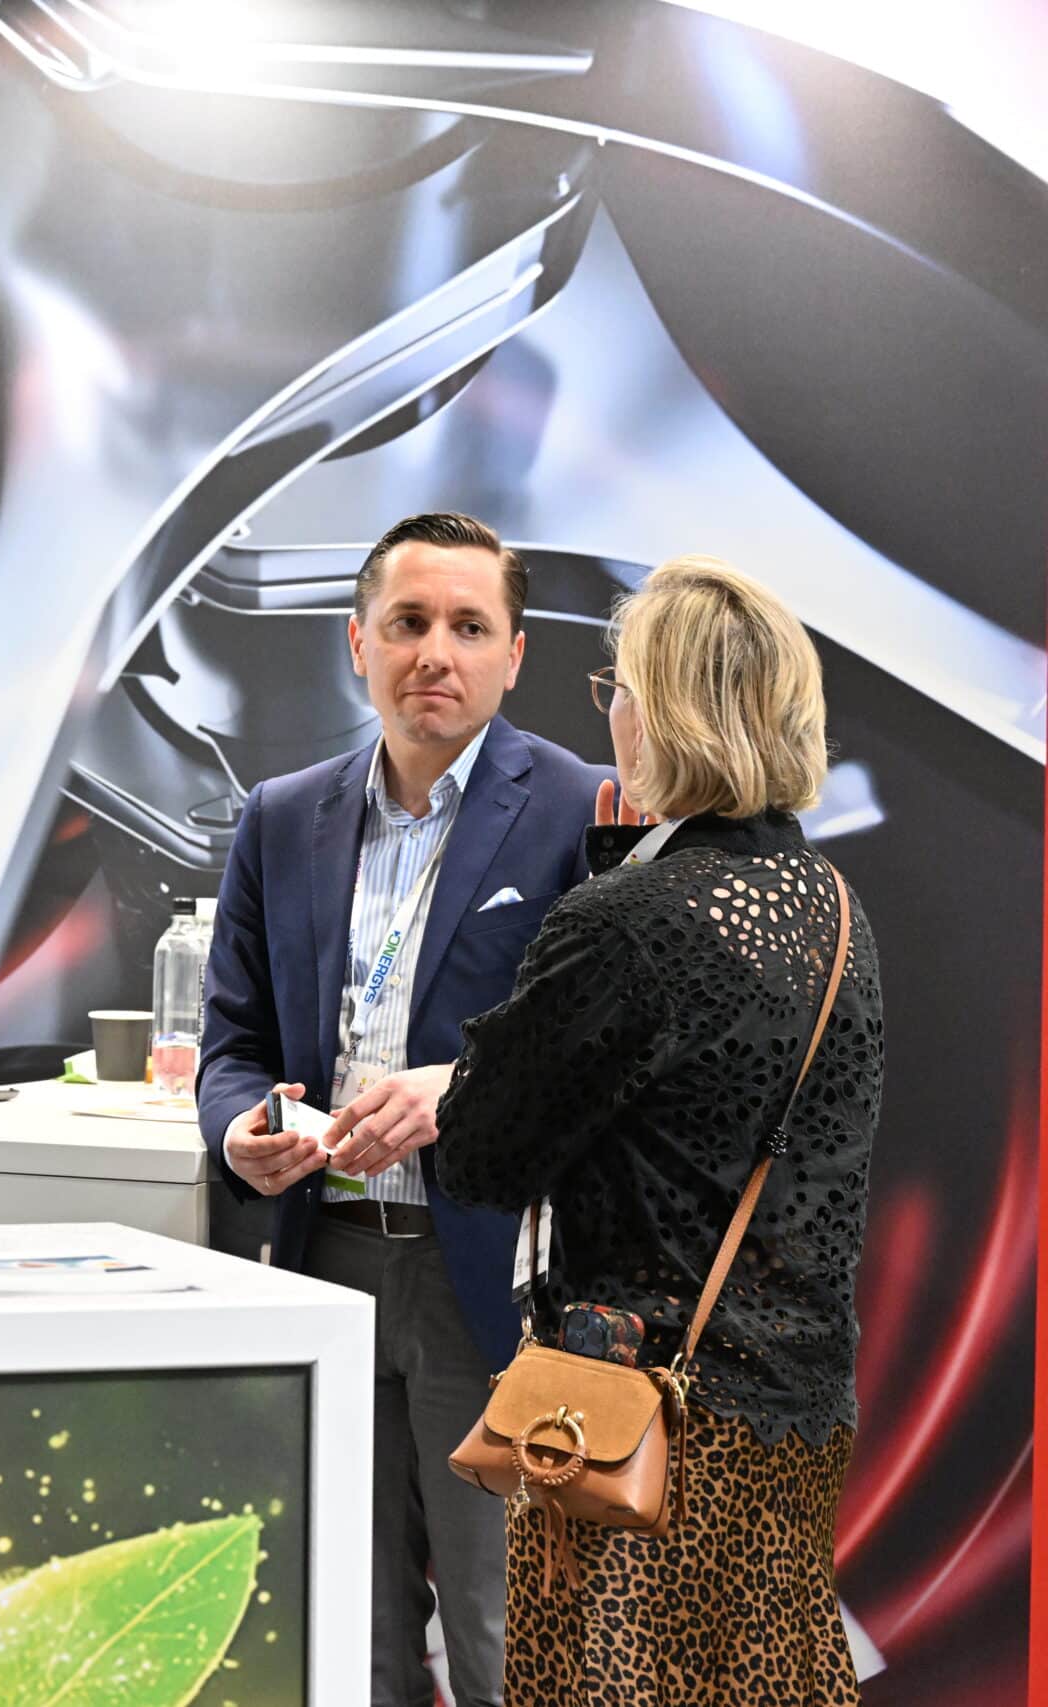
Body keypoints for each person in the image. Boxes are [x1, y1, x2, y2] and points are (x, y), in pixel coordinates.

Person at [435, 557, 880, 1705]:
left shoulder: (630, 921)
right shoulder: (831, 908)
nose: (612, 713)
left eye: (620, 688)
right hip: (794, 1409)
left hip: (636, 1415)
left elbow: (481, 1155)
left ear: (666, 713)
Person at [197, 512, 606, 1707]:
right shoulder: (281, 815)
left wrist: (464, 1091)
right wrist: (240, 1128)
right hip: (316, 1259)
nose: (435, 652)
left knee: (497, 1633)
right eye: (408, 623)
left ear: (513, 655)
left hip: (485, 1276)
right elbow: (232, 1045)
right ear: (356, 643)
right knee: (347, 1632)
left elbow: (607, 1060)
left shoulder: (581, 811)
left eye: (469, 627)